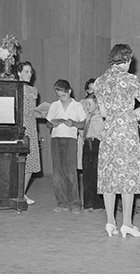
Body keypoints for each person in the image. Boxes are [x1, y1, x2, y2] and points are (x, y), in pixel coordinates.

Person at [93, 42, 140, 238]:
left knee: (109, 176)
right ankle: (127, 224)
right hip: (126, 132)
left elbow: (104, 112)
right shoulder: (130, 79)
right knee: (128, 177)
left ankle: (110, 222)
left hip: (110, 131)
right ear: (127, 59)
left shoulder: (100, 81)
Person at [46, 80, 86, 212]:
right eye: (58, 96)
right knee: (57, 173)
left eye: (63, 95)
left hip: (70, 140)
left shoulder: (77, 106)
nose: (61, 99)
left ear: (69, 91)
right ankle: (61, 203)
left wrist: (73, 123)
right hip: (56, 139)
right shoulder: (54, 105)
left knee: (71, 172)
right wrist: (53, 124)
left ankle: (75, 203)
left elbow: (83, 123)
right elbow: (48, 123)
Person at [17, 61, 42, 205]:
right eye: (26, 71)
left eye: (30, 72)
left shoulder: (33, 90)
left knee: (31, 163)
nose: (29, 74)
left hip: (31, 128)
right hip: (19, 127)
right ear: (19, 73)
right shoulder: (14, 88)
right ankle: (17, 193)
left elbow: (32, 111)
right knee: (18, 162)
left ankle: (21, 192)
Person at [80, 94, 105, 209]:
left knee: (96, 174)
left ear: (97, 104)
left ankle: (97, 203)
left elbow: (100, 133)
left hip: (97, 144)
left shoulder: (101, 117)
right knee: (87, 174)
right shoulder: (87, 116)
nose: (87, 106)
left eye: (89, 104)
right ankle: (87, 202)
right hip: (87, 144)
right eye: (86, 104)